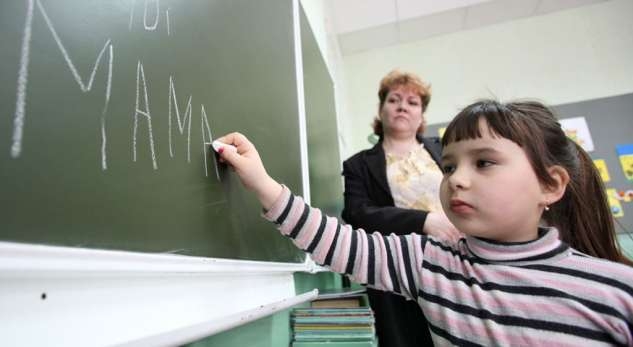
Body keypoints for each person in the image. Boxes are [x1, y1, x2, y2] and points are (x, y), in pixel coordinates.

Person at [215, 99, 633, 345]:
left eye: (484, 162)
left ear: (550, 184)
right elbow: (337, 241)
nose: (457, 180)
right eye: (449, 167)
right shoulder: (431, 263)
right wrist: (262, 183)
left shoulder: (616, 291)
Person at [341, 69, 460, 346]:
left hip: (459, 260)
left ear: (421, 115)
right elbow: (357, 213)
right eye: (394, 100)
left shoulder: (446, 149)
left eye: (412, 102)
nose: (402, 106)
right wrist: (424, 221)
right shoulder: (358, 165)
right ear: (381, 110)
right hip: (396, 271)